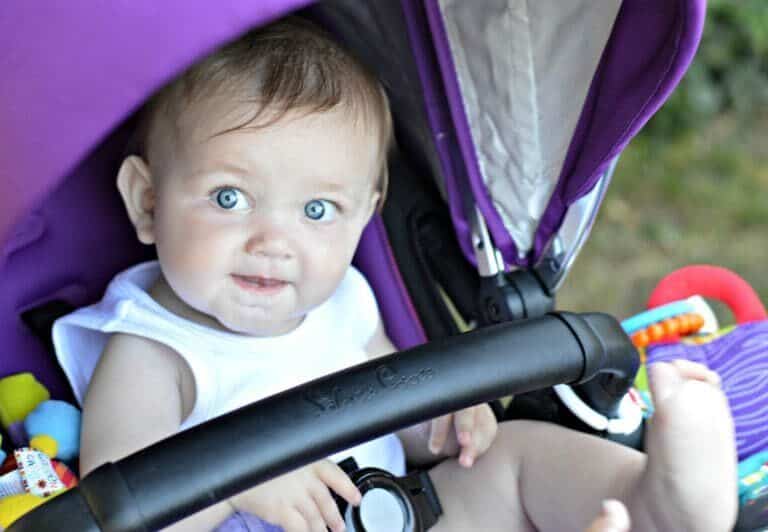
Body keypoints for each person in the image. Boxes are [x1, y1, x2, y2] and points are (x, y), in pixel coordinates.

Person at [53, 16, 738, 532]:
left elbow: (394, 403)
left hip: (395, 510)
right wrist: (236, 487)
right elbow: (124, 510)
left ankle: (657, 504)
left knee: (517, 458)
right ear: (148, 202)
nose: (273, 241)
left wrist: (442, 418)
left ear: (364, 217)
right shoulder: (149, 349)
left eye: (317, 210)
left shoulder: (342, 303)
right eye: (229, 199)